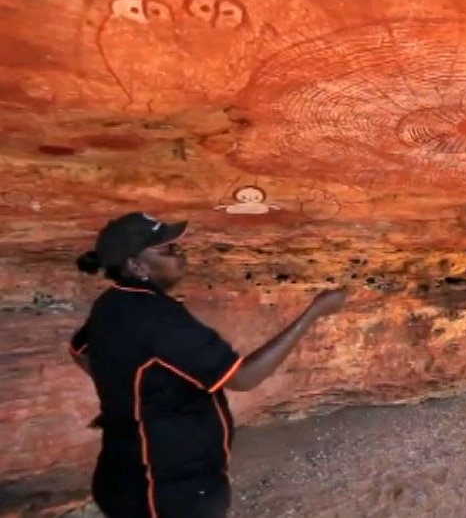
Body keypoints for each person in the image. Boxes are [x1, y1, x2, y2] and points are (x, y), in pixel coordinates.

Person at [68, 212, 347, 518]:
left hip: (122, 475)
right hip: (168, 491)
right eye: (167, 250)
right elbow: (242, 377)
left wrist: (124, 395)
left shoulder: (111, 303)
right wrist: (314, 312)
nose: (180, 255)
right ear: (136, 265)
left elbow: (79, 350)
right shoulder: (158, 317)